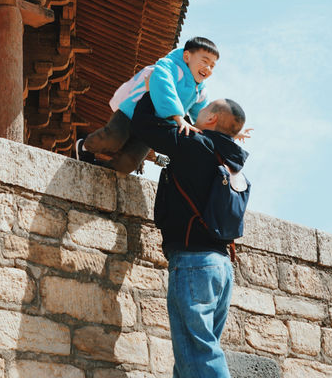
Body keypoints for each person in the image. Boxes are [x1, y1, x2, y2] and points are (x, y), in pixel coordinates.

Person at [131, 91, 249, 378]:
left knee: (197, 355)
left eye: (204, 106)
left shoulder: (194, 143)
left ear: (211, 118)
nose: (197, 109)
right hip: (221, 268)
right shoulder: (234, 163)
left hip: (194, 263)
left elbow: (143, 125)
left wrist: (155, 85)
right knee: (191, 359)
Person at [73, 37, 219, 173]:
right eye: (205, 61)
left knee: (128, 163)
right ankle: (84, 145)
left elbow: (204, 115)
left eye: (212, 65)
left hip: (152, 127)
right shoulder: (170, 67)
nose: (208, 69)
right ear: (187, 56)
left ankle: (99, 169)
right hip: (131, 113)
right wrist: (178, 117)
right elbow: (164, 86)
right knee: (113, 138)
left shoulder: (200, 91)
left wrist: (224, 130)